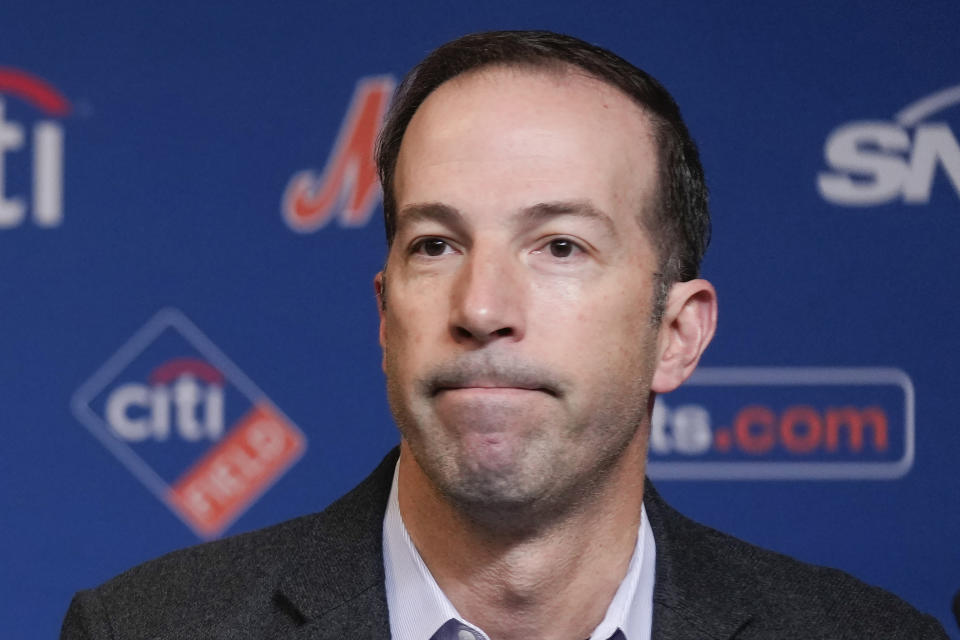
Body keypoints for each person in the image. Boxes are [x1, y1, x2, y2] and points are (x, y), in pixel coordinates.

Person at [61, 30, 947, 640]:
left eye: (560, 245)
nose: (482, 307)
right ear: (384, 315)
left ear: (676, 334)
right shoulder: (145, 628)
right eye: (436, 244)